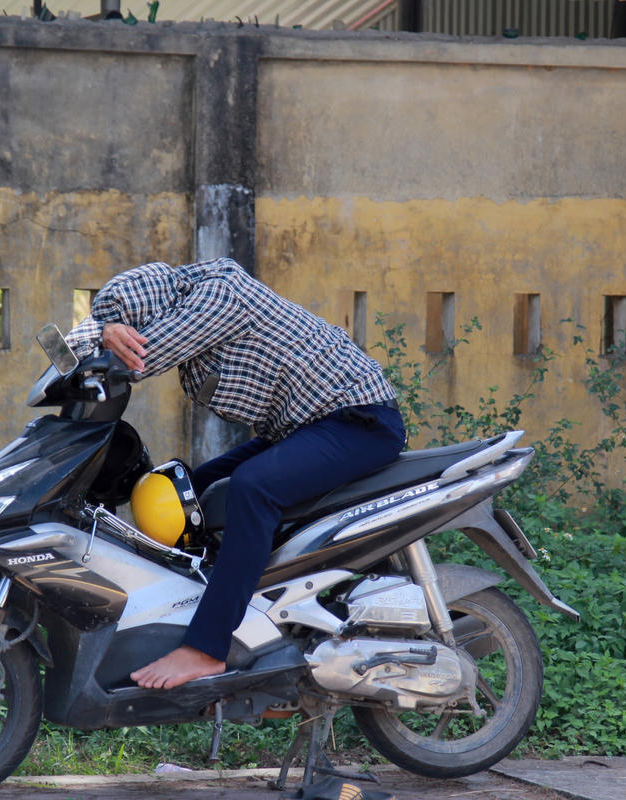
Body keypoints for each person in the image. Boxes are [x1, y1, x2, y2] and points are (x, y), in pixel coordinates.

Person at [66, 258, 405, 689]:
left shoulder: (218, 298)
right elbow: (75, 352)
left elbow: (138, 362)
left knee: (252, 489)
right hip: (308, 424)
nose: (122, 335)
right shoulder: (188, 294)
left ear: (156, 313)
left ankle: (207, 647)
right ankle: (206, 608)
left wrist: (103, 335)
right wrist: (102, 329)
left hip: (358, 422)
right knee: (195, 488)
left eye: (127, 328)